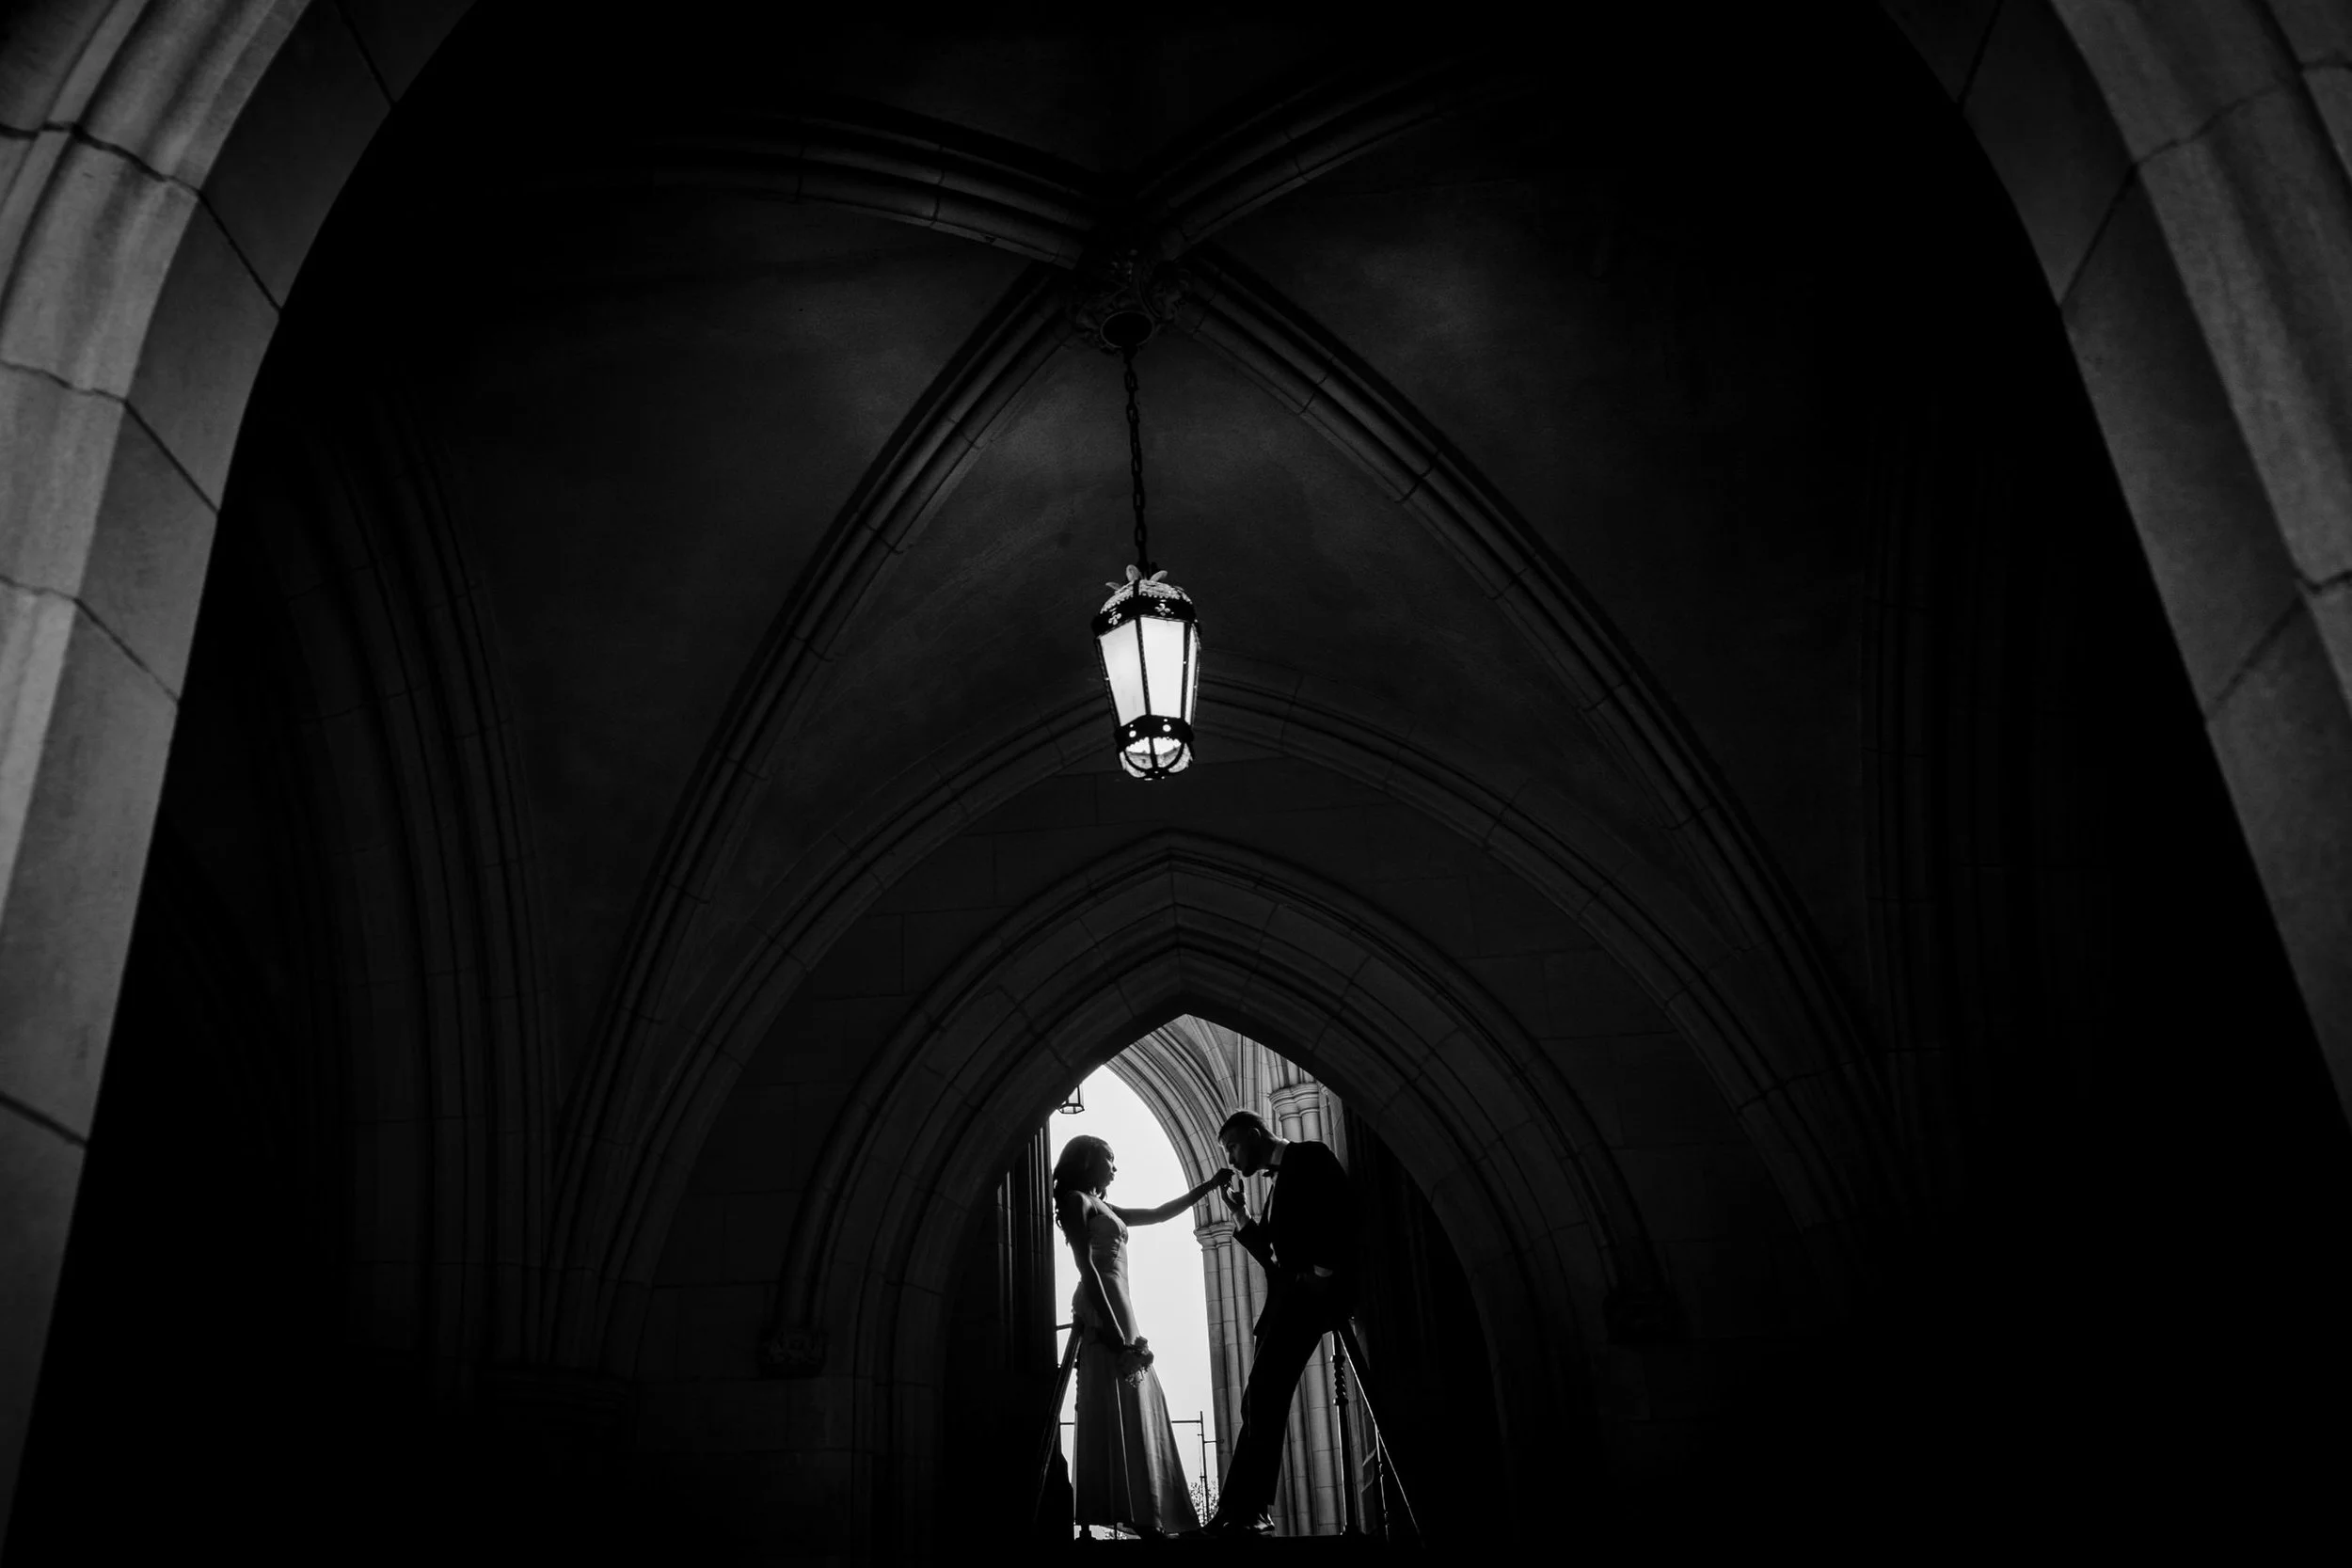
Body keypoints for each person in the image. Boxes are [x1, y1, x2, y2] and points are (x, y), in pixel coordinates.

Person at [1052, 1133, 1232, 1540]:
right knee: (1108, 1398)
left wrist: (1208, 1185)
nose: (1116, 1167)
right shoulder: (1076, 1201)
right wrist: (1115, 1333)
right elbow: (1088, 1269)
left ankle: (1150, 1514)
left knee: (1138, 1400)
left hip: (1122, 1304)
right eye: (1109, 1158)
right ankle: (1127, 1515)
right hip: (1103, 1305)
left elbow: (1159, 1213)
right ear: (1088, 1161)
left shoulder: (1105, 1206)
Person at [1199, 1109, 1359, 1538]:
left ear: (1254, 1135)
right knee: (1256, 1401)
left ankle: (1249, 1511)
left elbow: (1337, 1213)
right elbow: (1271, 1254)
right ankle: (1241, 1509)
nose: (1232, 1160)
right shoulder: (1275, 1183)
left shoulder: (1309, 1157)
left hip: (1307, 1302)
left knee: (1263, 1397)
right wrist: (1239, 1214)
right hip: (1288, 1303)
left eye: (1232, 1147)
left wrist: (1322, 1276)